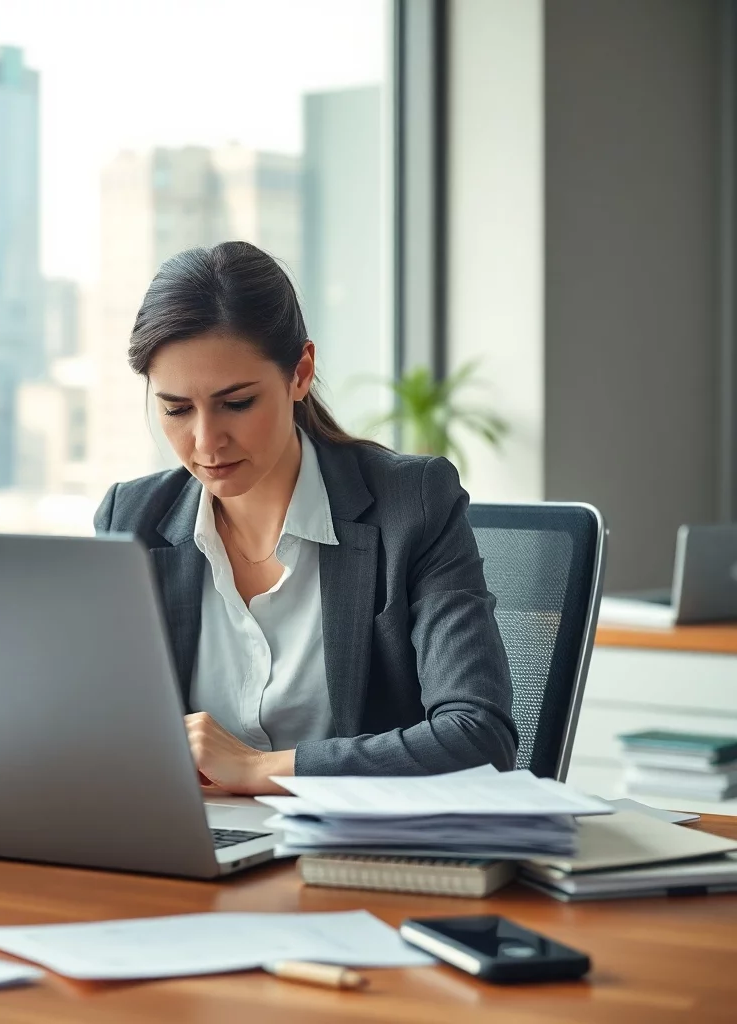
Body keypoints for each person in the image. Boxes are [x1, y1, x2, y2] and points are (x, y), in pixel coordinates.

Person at [94, 241, 518, 796]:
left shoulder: (411, 506)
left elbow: (479, 739)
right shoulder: (132, 520)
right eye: (176, 409)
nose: (206, 441)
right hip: (196, 837)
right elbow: (95, 727)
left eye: (237, 403)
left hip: (355, 842)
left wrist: (259, 769)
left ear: (300, 373)